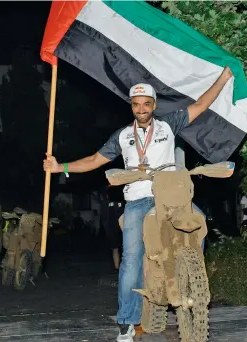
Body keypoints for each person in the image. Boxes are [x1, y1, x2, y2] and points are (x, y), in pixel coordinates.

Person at [43, 66, 233, 342]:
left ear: (154, 105)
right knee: (131, 258)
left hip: (171, 196)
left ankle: (191, 279)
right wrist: (60, 166)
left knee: (199, 222)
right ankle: (127, 322)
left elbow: (202, 105)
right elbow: (95, 161)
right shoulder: (122, 136)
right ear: (131, 107)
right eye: (136, 104)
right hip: (138, 198)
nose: (141, 108)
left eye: (146, 103)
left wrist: (223, 78)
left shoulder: (169, 124)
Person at [104, 185, 125, 271]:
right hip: (122, 224)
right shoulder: (124, 206)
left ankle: (117, 267)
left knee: (115, 249)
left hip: (113, 225)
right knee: (125, 248)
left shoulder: (108, 206)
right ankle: (123, 268)